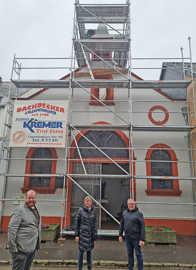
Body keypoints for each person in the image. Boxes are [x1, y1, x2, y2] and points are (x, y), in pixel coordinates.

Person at [8, 189, 40, 270]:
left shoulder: (34, 209)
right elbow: (12, 229)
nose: (31, 200)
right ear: (25, 198)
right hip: (20, 250)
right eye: (29, 198)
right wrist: (13, 248)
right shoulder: (20, 210)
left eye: (33, 198)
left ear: (36, 198)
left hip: (31, 249)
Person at [119, 198, 145, 270]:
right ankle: (130, 268)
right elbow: (122, 224)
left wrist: (142, 239)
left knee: (138, 255)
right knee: (130, 255)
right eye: (129, 204)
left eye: (132, 204)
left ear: (135, 204)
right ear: (127, 205)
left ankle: (140, 268)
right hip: (128, 238)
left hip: (136, 238)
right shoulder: (124, 213)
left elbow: (142, 227)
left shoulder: (139, 214)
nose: (131, 205)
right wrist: (120, 235)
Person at [75, 196, 97, 270]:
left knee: (89, 254)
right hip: (82, 235)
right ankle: (80, 268)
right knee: (81, 254)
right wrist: (76, 235)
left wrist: (95, 233)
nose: (87, 202)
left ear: (91, 202)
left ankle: (89, 268)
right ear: (84, 202)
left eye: (89, 201)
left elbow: (94, 224)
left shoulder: (93, 211)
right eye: (86, 201)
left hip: (90, 235)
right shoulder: (80, 210)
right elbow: (77, 223)